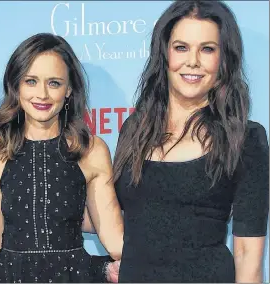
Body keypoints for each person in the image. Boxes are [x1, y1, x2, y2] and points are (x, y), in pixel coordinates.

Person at [112, 1, 269, 282]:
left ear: (223, 60)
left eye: (207, 49)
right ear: (164, 54)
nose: (193, 61)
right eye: (181, 47)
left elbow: (247, 255)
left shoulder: (246, 139)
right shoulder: (134, 129)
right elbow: (112, 214)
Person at [0, 33, 123, 283]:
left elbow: (114, 239)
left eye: (54, 83)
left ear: (69, 90)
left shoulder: (90, 150)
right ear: (16, 86)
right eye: (31, 81)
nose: (42, 94)